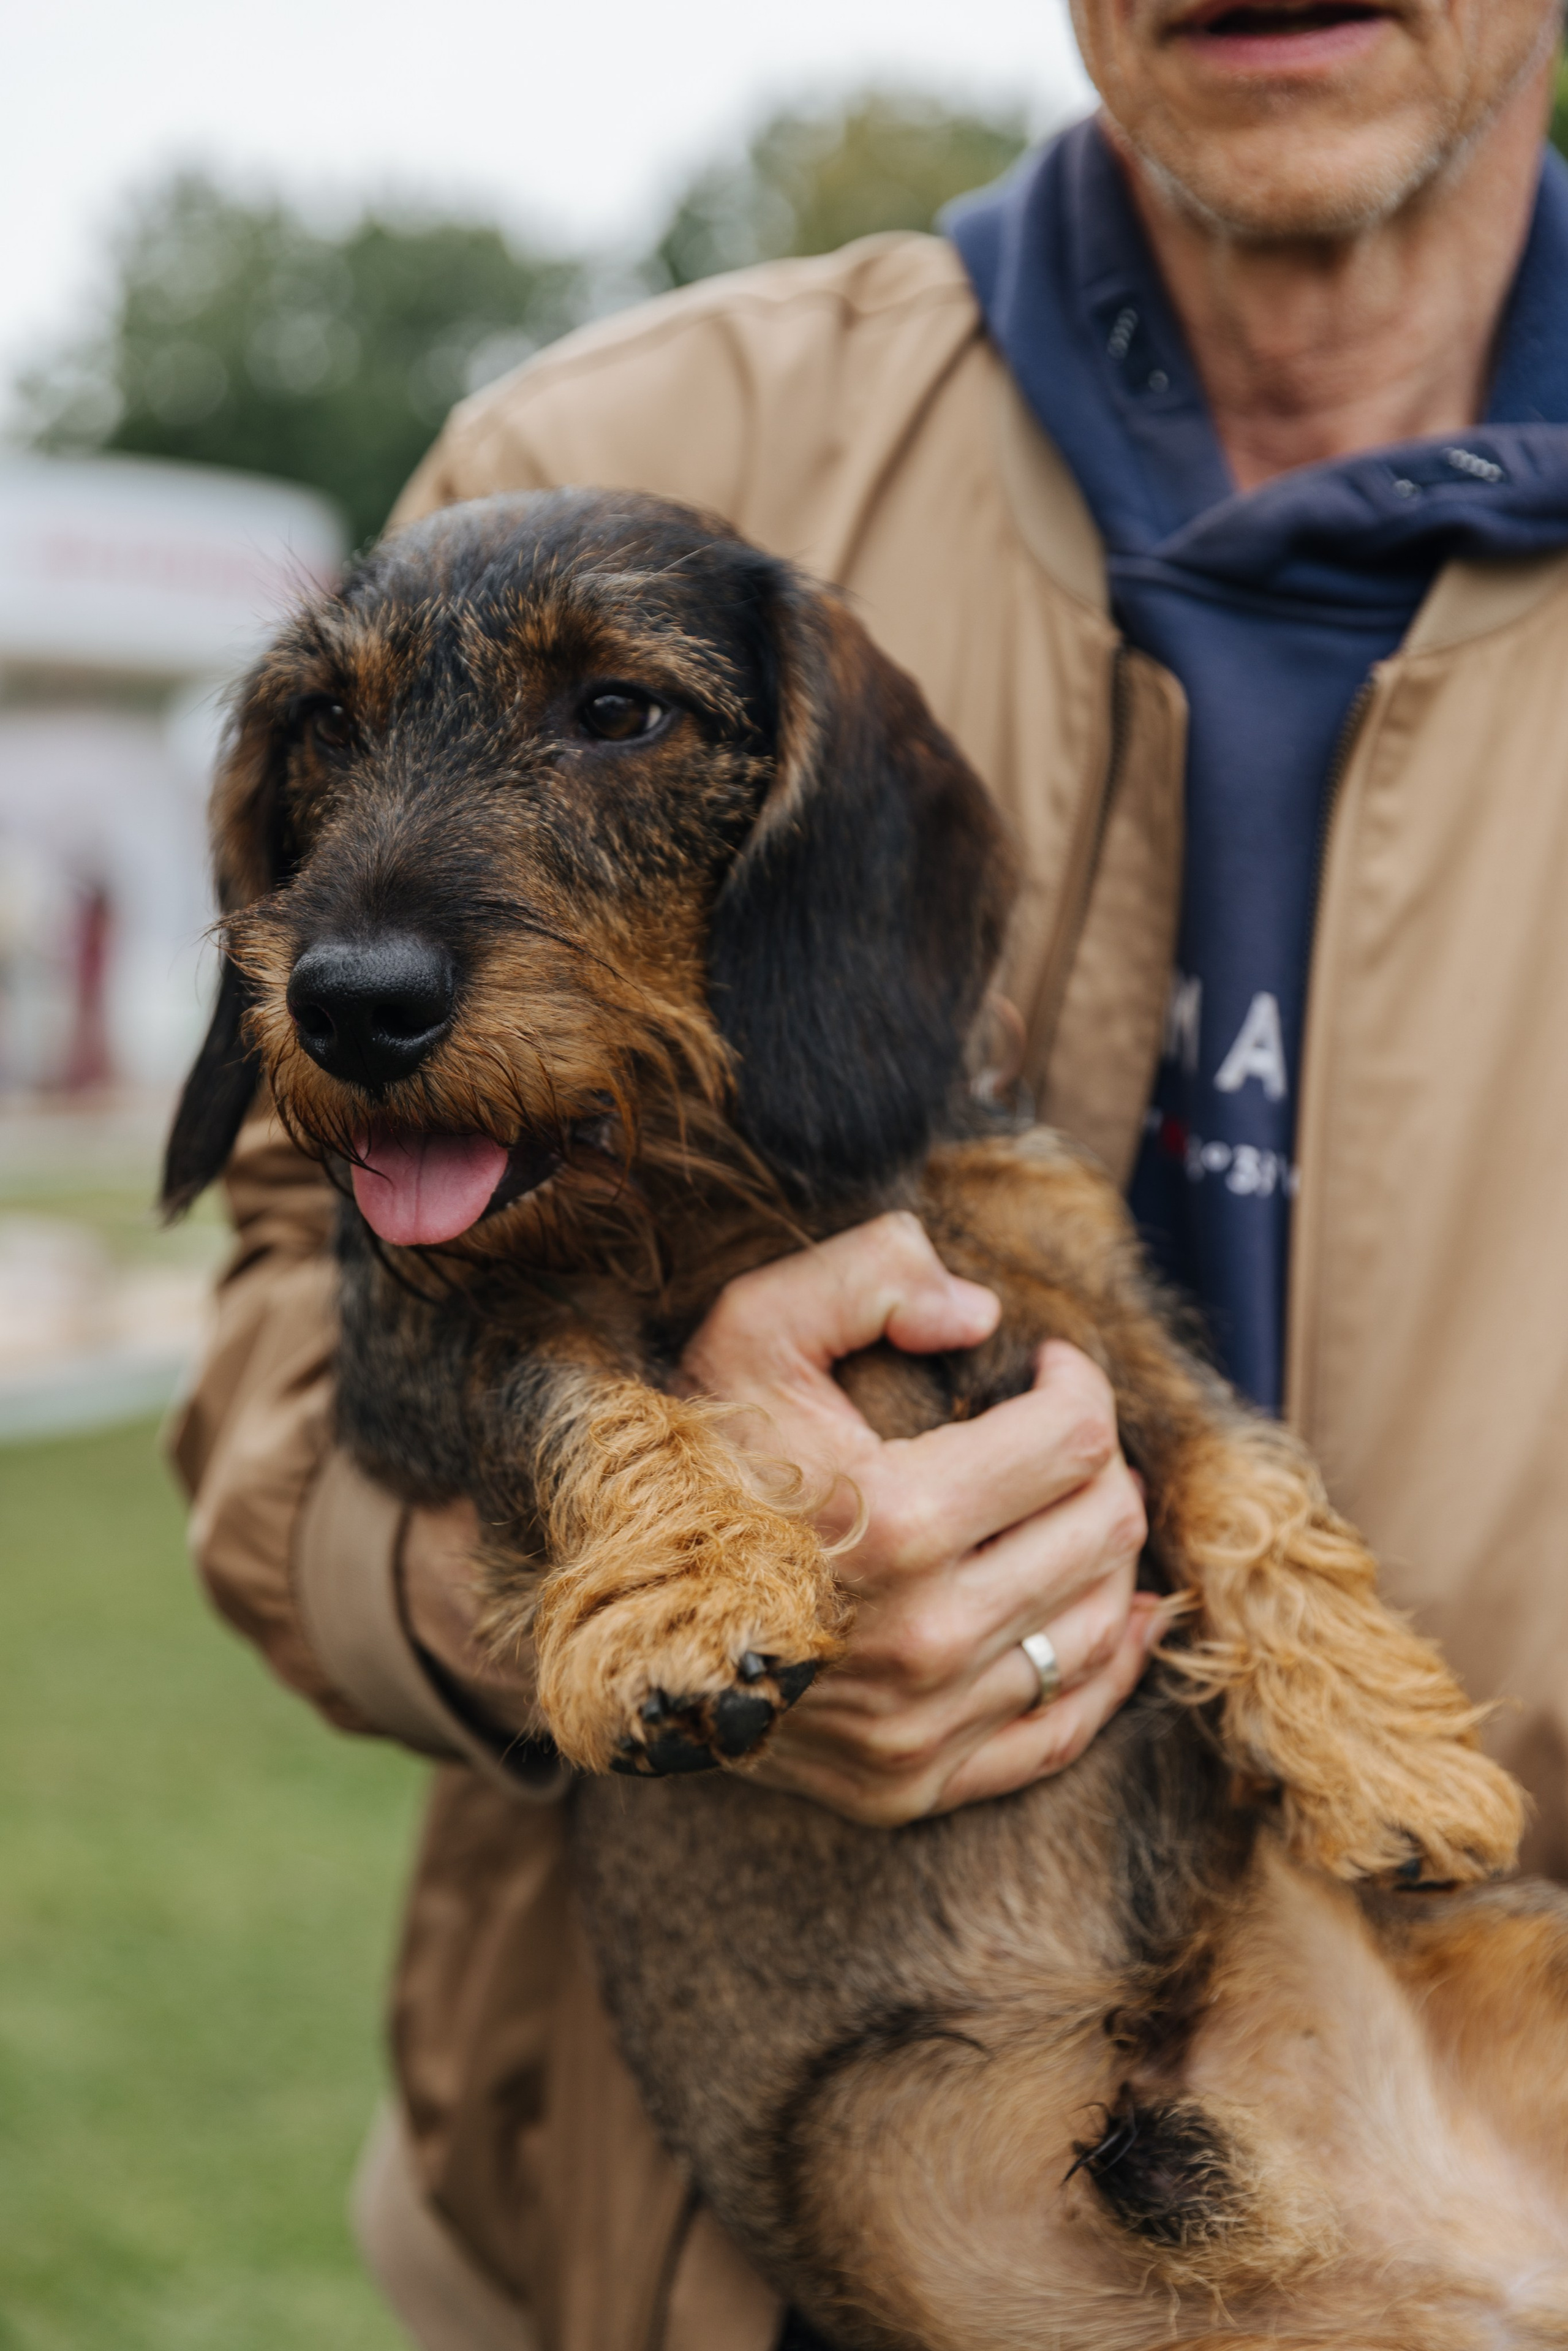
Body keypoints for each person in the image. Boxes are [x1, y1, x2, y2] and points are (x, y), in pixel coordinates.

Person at [170, 4, 1568, 2345]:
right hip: (776, 2233)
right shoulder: (609, 447)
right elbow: (285, 1342)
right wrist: (567, 1605)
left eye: (613, 718)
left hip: (1440, 2058)